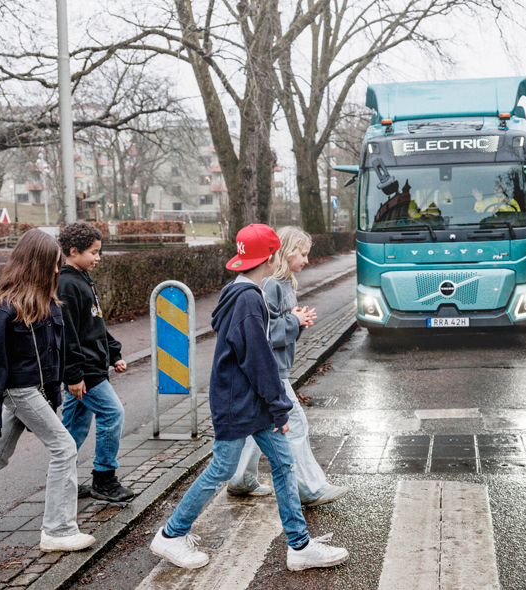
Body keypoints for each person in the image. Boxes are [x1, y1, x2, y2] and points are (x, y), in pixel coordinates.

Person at [149, 224, 348, 572]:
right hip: (239, 403)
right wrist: (279, 407)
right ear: (271, 258)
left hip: (248, 401)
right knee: (221, 469)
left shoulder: (240, 292)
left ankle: (299, 546)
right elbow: (257, 360)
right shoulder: (248, 300)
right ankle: (171, 535)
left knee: (284, 465)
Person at [0, 229, 95, 553]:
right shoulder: (9, 308)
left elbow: (55, 355)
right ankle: (58, 530)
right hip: (20, 391)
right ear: (37, 264)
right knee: (64, 447)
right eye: (53, 263)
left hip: (35, 391)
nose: (57, 270)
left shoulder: (49, 304)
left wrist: (56, 392)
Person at [227, 227, 350, 507]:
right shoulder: (271, 285)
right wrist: (295, 321)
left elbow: (277, 329)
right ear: (287, 251)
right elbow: (263, 333)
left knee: (255, 427)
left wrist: (298, 321)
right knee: (295, 425)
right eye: (303, 254)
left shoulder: (283, 282)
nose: (307, 259)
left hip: (268, 370)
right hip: (270, 372)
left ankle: (240, 481)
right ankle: (310, 489)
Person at [57, 222, 135, 503]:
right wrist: (74, 375)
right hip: (85, 371)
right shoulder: (66, 285)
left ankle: (62, 484)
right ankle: (104, 479)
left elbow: (95, 323)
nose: (98, 257)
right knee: (113, 415)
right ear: (73, 251)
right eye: (93, 252)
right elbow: (68, 334)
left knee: (73, 430)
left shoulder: (83, 278)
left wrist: (113, 353)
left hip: (89, 366)